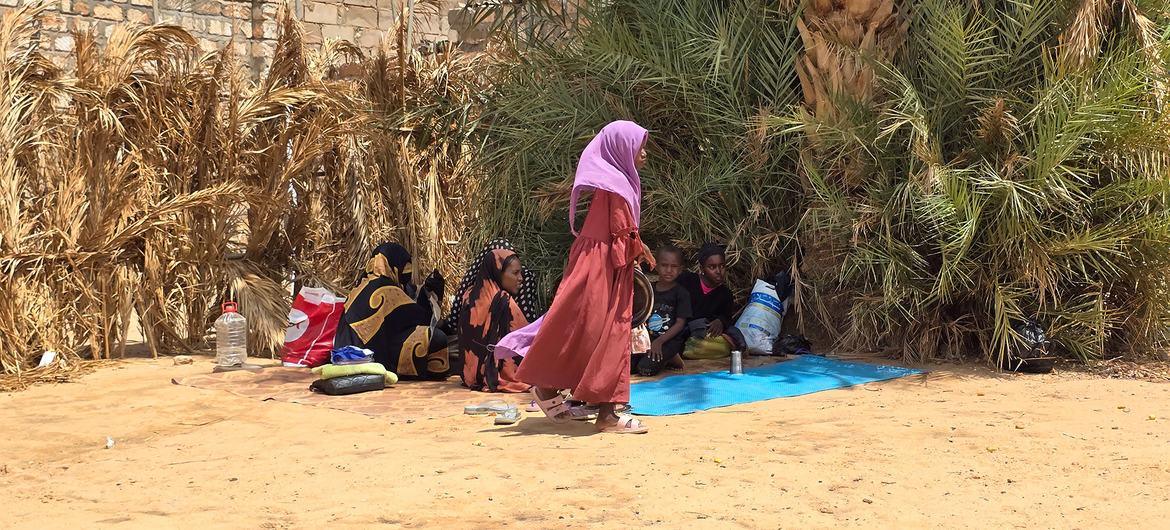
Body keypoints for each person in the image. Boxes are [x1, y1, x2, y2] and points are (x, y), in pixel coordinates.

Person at [496, 120, 656, 434]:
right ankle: (608, 415)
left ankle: (547, 388)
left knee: (580, 327)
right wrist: (639, 254)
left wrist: (637, 247)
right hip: (605, 269)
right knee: (610, 332)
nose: (645, 153)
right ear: (621, 149)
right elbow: (622, 242)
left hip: (591, 264)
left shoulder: (612, 184)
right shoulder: (620, 188)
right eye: (639, 146)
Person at [333, 242, 450, 379]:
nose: (406, 272)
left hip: (346, 356)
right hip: (371, 358)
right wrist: (431, 294)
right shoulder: (385, 288)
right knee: (435, 337)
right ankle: (437, 375)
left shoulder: (361, 286)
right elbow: (422, 319)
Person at [458, 248, 532, 393]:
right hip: (494, 374)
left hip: (469, 376)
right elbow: (525, 341)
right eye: (515, 273)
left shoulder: (468, 296)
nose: (521, 278)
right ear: (498, 273)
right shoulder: (504, 301)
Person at [631, 245, 691, 376]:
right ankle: (667, 358)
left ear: (680, 270)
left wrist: (659, 342)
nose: (669, 270)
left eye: (674, 266)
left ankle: (672, 356)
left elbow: (680, 323)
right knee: (628, 368)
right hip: (648, 340)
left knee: (645, 369)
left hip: (668, 341)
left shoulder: (681, 294)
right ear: (656, 266)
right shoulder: (648, 290)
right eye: (664, 265)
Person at [678, 243, 738, 346]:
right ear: (702, 269)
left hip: (706, 335)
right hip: (681, 330)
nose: (719, 271)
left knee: (736, 335)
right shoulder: (686, 281)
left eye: (722, 266)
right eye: (712, 267)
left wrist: (720, 321)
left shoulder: (725, 294)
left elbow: (726, 316)